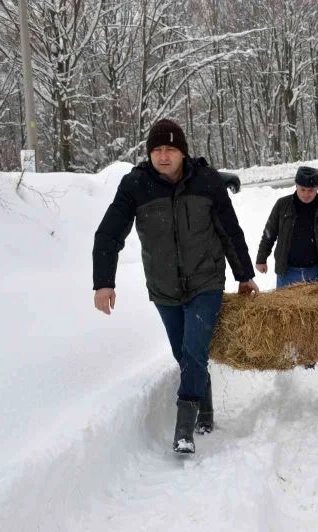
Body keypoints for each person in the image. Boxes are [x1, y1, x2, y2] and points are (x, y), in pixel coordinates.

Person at [92, 119, 259, 454]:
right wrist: (103, 283)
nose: (163, 156)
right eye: (156, 149)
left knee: (195, 350)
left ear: (183, 152)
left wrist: (244, 275)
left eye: (170, 149)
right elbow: (108, 235)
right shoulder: (135, 186)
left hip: (205, 281)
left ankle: (184, 429)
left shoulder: (206, 182)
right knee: (183, 354)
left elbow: (230, 230)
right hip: (163, 286)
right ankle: (206, 409)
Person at [255, 167, 318, 288]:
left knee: (315, 307)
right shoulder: (282, 205)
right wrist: (261, 258)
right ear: (296, 185)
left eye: (311, 190)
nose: (306, 194)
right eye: (302, 189)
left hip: (317, 270)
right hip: (287, 271)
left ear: (317, 188)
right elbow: (269, 233)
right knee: (284, 307)